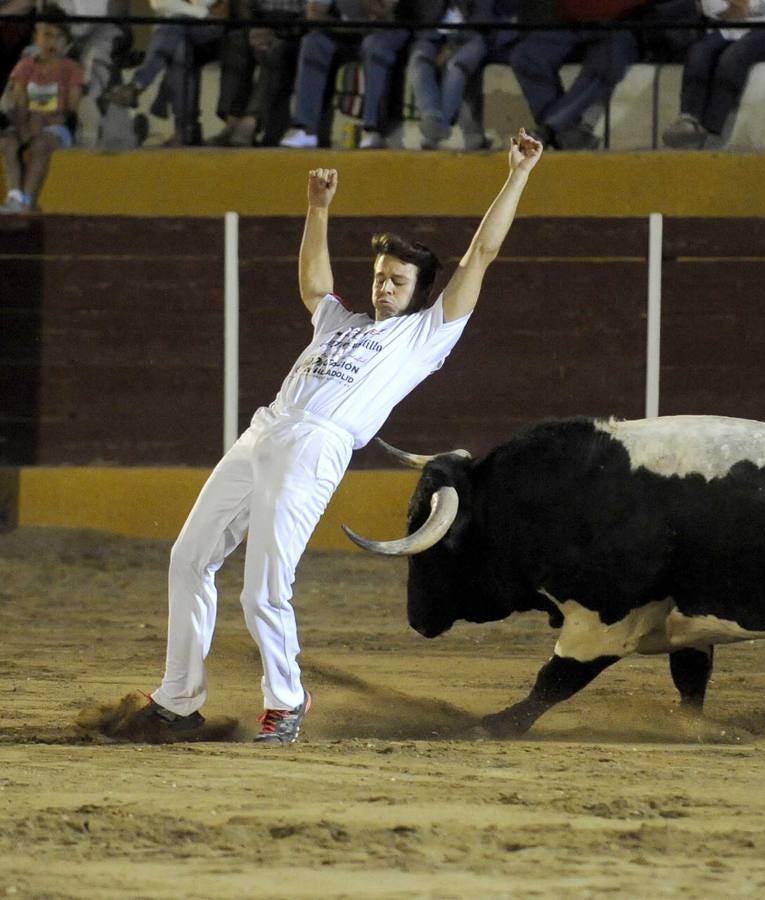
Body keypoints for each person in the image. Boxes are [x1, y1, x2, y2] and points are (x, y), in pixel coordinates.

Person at [130, 130, 544, 745]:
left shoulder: (426, 335)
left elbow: (479, 254)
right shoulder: (340, 321)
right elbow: (314, 285)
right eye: (380, 276)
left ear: (418, 291)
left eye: (397, 281)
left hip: (315, 446)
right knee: (189, 558)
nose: (383, 287)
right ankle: (178, 697)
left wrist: (517, 174)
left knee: (264, 588)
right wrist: (317, 209)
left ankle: (287, 701)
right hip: (265, 430)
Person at [662, 0, 765, 148]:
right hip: (727, 26)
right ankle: (688, 118)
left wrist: (737, 7)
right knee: (699, 53)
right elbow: (709, 6)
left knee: (733, 57)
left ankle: (710, 130)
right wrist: (732, 8)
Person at [509, 0, 648, 150]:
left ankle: (550, 128)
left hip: (621, 25)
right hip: (568, 21)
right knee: (526, 56)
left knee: (607, 63)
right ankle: (565, 134)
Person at [279, 0, 413, 149]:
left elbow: (381, 13)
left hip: (385, 31)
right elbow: (314, 14)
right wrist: (343, 27)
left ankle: (372, 130)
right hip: (344, 32)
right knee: (313, 42)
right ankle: (305, 129)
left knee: (374, 46)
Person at [103, 0, 230, 146]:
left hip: (213, 30)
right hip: (180, 28)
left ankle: (137, 86)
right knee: (179, 47)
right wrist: (199, 12)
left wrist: (184, 10)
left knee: (175, 26)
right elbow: (159, 3)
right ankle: (186, 129)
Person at [408, 0, 519, 150]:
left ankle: (438, 129)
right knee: (419, 61)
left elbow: (485, 20)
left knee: (457, 66)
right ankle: (431, 116)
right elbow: (423, 14)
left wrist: (451, 46)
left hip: (477, 36)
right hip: (432, 36)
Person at [1, 15, 82, 214]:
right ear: (36, 38)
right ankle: (14, 196)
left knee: (40, 144)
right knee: (7, 143)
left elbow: (70, 110)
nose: (51, 42)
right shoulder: (25, 66)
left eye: (57, 37)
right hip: (27, 121)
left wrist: (42, 123)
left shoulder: (72, 69)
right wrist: (23, 127)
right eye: (46, 35)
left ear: (66, 43)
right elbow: (20, 101)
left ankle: (27, 201)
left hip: (57, 126)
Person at [209, 0, 306, 146]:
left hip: (293, 27)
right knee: (235, 41)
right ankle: (232, 121)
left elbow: (313, 11)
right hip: (259, 21)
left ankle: (251, 120)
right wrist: (253, 27)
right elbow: (244, 4)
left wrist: (283, 31)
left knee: (275, 50)